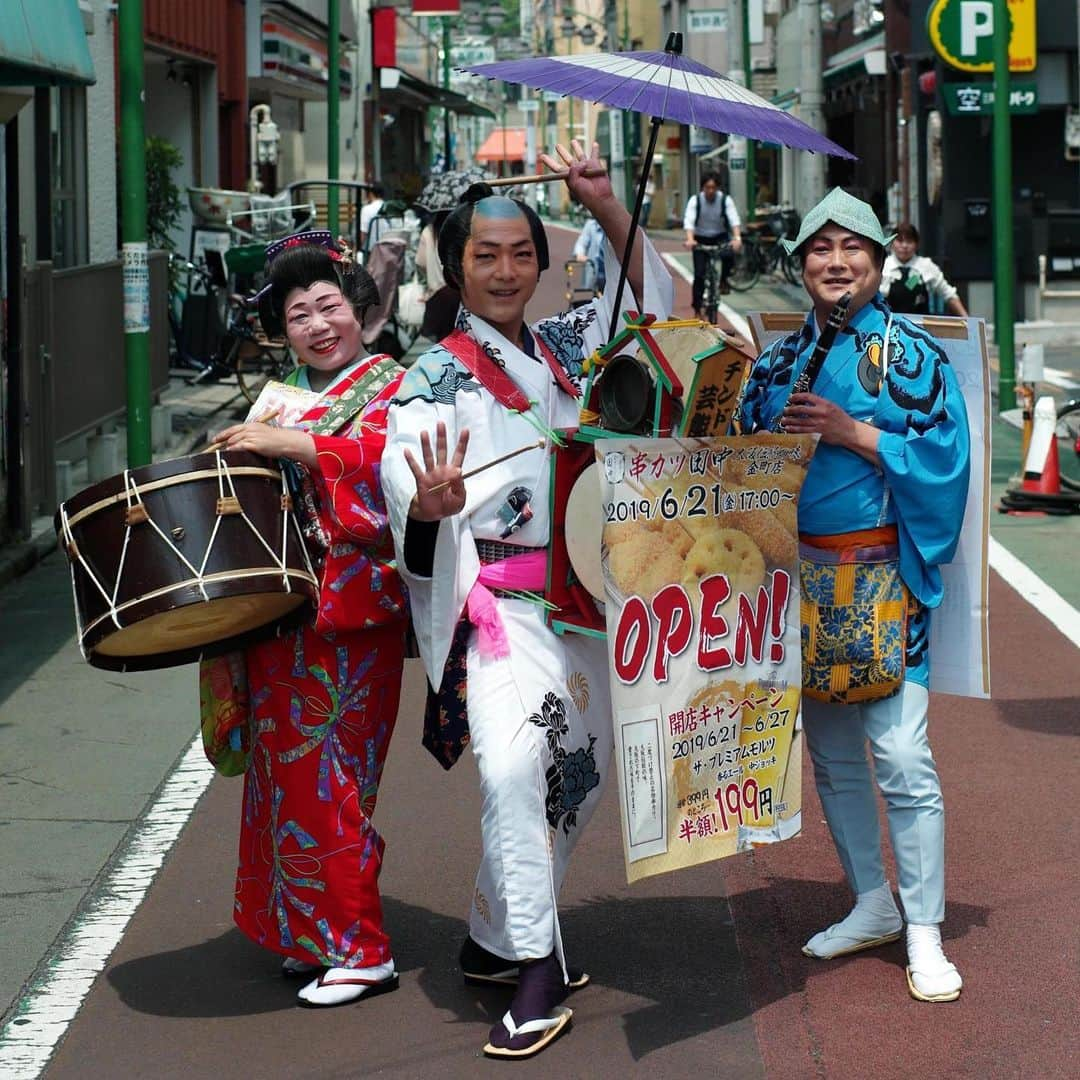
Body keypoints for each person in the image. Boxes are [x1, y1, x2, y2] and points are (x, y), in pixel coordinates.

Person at [380, 140, 674, 1059]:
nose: (505, 271)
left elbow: (660, 312)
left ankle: (488, 938)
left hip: (583, 601)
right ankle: (538, 975)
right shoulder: (431, 376)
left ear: (542, 265)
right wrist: (424, 505)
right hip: (498, 611)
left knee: (575, 784)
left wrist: (605, 204)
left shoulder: (564, 347)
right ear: (454, 266)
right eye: (484, 256)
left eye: (520, 255)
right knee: (512, 772)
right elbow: (405, 469)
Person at [735, 188, 970, 1004]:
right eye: (819, 249)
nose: (835, 262)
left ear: (878, 259)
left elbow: (946, 461)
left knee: (903, 756)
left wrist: (852, 433)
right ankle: (871, 901)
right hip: (797, 581)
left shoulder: (913, 356)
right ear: (800, 266)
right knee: (831, 754)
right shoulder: (772, 362)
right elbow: (736, 465)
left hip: (882, 577)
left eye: (851, 248)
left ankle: (926, 927)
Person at [208, 232, 409, 1008]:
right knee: (283, 779)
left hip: (350, 615)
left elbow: (391, 472)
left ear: (359, 310)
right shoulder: (285, 392)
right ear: (281, 330)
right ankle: (310, 931)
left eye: (329, 306)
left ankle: (361, 949)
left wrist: (291, 443)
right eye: (299, 315)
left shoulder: (396, 384)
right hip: (282, 613)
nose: (319, 325)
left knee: (334, 780)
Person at [683, 172, 742, 311]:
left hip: (719, 236)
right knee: (699, 274)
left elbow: (734, 220)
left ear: (718, 188)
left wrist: (737, 238)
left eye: (713, 187)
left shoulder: (725, 200)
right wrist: (690, 239)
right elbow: (689, 221)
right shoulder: (695, 200)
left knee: (729, 255)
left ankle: (723, 281)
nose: (710, 191)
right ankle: (697, 308)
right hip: (700, 238)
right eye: (707, 187)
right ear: (702, 188)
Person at [881, 222, 968, 317]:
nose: (904, 246)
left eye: (909, 241)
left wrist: (969, 323)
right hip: (889, 324)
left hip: (920, 326)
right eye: (900, 241)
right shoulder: (883, 265)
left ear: (917, 244)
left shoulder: (926, 265)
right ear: (892, 243)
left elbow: (949, 294)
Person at [415, 209, 460, 341]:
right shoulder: (459, 230)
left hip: (436, 295)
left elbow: (420, 262)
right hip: (457, 295)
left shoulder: (428, 231)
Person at [572, 211, 606, 293]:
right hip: (594, 268)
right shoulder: (591, 225)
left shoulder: (614, 229)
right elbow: (581, 242)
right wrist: (579, 254)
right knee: (592, 295)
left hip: (609, 272)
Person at [358, 183, 387, 253]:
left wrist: (357, 249)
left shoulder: (367, 209)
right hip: (387, 250)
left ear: (371, 193)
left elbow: (363, 233)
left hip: (370, 251)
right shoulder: (387, 207)